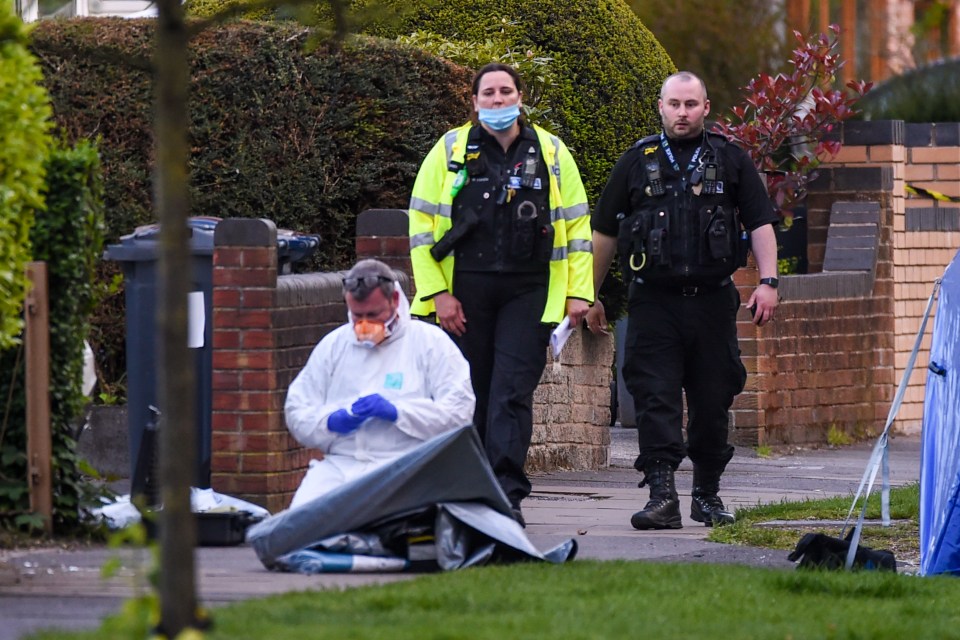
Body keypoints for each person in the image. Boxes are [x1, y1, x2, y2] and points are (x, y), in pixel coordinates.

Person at [586, 71, 779, 530]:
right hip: (654, 301)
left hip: (712, 302)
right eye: (674, 104)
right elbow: (605, 232)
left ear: (706, 108)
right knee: (655, 399)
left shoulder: (731, 159)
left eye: (691, 104)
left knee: (713, 401)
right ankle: (661, 497)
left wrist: (768, 281)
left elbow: (761, 222)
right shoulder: (637, 160)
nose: (682, 112)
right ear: (661, 106)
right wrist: (588, 295)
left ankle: (707, 496)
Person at [408, 63, 594, 525]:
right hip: (464, 291)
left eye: (505, 91)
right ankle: (469, 493)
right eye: (487, 93)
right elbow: (420, 226)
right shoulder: (451, 149)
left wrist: (578, 293)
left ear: (519, 97)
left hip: (529, 291)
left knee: (511, 393)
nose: (496, 100)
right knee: (469, 393)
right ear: (474, 102)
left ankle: (505, 496)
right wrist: (437, 295)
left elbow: (577, 228)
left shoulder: (549, 151)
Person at [284, 259, 476, 510]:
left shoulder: (429, 343)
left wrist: (400, 412)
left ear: (395, 301)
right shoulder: (335, 346)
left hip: (409, 468)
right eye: (357, 316)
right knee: (300, 525)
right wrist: (328, 422)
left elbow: (459, 412)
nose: (364, 325)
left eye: (373, 315)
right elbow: (297, 410)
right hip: (341, 468)